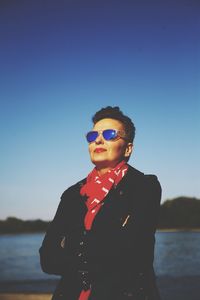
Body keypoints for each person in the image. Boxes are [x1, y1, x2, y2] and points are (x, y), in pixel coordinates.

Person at [39, 106, 162, 300]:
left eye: (110, 134)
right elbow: (47, 257)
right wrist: (95, 254)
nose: (98, 139)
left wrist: (71, 250)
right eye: (92, 135)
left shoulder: (145, 186)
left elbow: (132, 253)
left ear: (128, 148)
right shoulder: (72, 194)